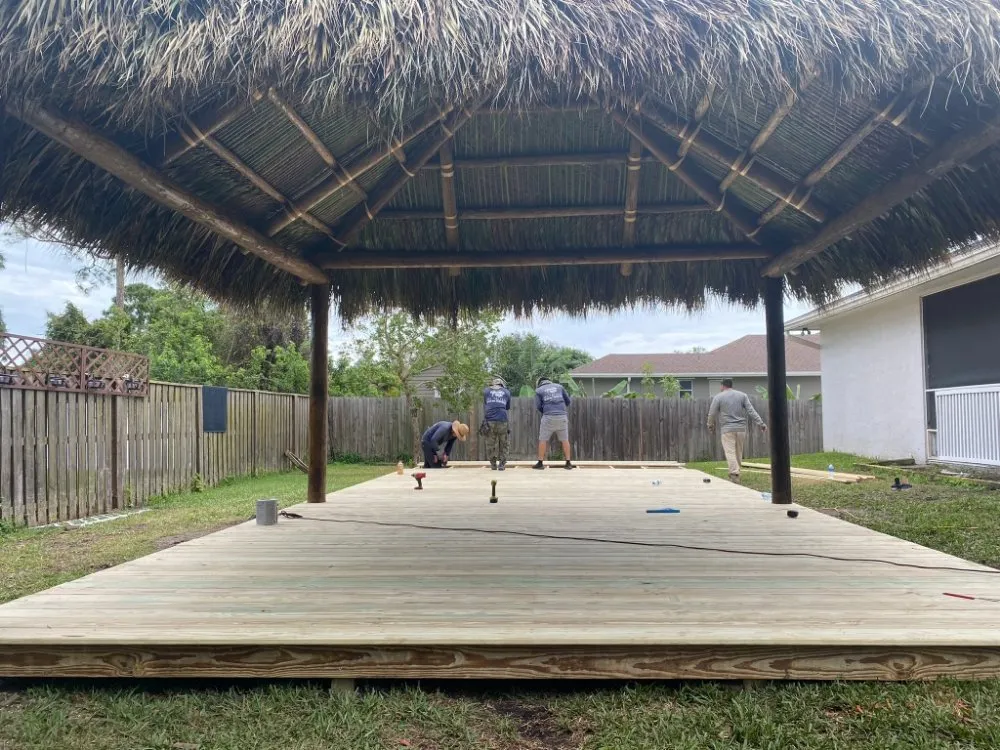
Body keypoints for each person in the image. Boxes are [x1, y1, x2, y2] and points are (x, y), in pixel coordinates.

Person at [707, 378, 767, 483]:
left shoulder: (718, 397)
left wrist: (710, 425)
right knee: (738, 452)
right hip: (741, 429)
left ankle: (734, 473)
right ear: (731, 385)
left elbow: (712, 413)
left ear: (722, 386)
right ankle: (737, 473)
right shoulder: (742, 395)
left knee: (730, 452)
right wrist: (761, 423)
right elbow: (751, 410)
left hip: (727, 430)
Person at [533, 376, 574, 470]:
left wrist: (547, 411)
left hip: (548, 417)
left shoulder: (539, 390)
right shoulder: (559, 387)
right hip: (562, 416)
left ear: (540, 383)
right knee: (565, 440)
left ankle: (540, 463)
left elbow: (539, 406)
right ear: (550, 381)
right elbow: (568, 401)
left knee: (543, 439)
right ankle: (568, 463)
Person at [482, 376, 512, 470]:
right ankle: (502, 465)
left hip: (489, 421)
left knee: (490, 444)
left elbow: (486, 403)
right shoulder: (506, 392)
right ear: (502, 385)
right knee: (504, 443)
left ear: (493, 384)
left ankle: (493, 464)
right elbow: (507, 407)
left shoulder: (486, 391)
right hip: (502, 420)